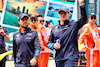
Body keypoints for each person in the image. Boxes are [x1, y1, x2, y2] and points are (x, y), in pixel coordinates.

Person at [47, 0, 87, 67]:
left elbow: (83, 19)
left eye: (64, 13)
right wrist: (53, 45)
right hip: (58, 57)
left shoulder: (73, 24)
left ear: (69, 14)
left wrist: (81, 5)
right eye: (61, 13)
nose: (62, 15)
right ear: (58, 14)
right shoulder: (54, 28)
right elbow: (49, 43)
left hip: (70, 56)